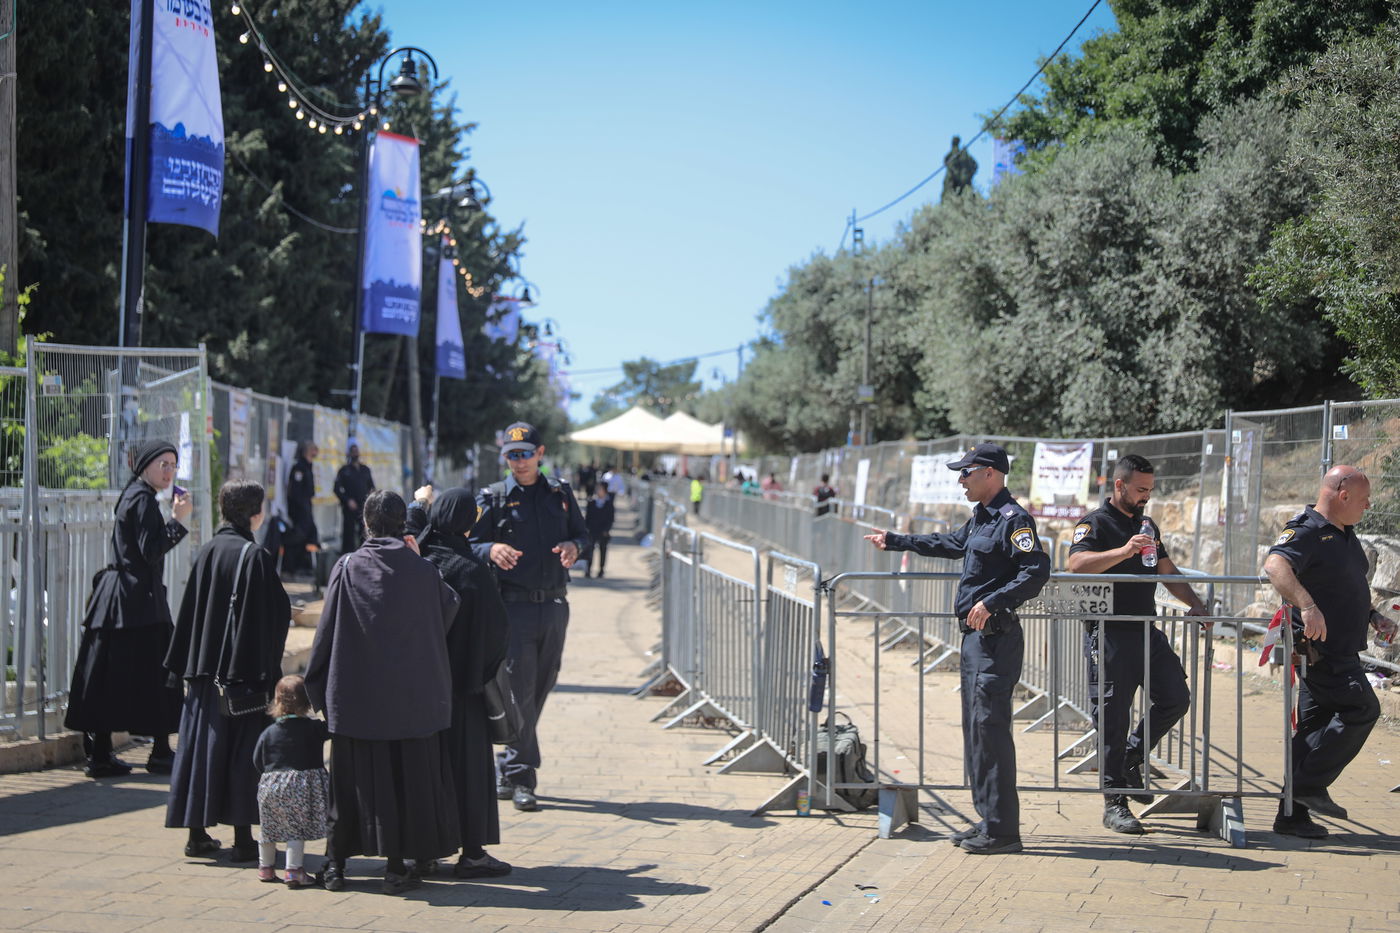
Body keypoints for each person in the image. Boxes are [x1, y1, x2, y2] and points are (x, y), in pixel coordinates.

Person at [865, 443, 1049, 854]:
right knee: (976, 734)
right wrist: (897, 541)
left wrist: (992, 602)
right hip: (973, 641)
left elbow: (1036, 571)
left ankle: (1003, 831)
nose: (960, 480)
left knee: (991, 733)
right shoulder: (981, 518)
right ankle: (988, 819)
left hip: (995, 640)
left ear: (990, 473)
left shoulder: (1013, 519)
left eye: (966, 473)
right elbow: (949, 543)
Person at [306, 490, 461, 894]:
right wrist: (415, 556)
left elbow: (325, 633)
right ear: (404, 528)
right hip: (409, 703)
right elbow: (448, 609)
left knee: (347, 787)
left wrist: (317, 687)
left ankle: (335, 866)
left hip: (355, 699)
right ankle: (395, 867)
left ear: (366, 525)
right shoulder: (424, 571)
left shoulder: (348, 566)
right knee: (399, 782)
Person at [1066, 454, 1209, 835]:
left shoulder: (1147, 524)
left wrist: (1195, 602)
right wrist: (1124, 552)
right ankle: (1115, 803)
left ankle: (1131, 759)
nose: (1147, 496)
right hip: (1109, 632)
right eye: (1140, 489)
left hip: (1146, 628)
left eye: (1150, 489)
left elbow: (1166, 571)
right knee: (1113, 718)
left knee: (1175, 696)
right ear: (1119, 485)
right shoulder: (1094, 523)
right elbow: (1076, 565)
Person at [1262, 465, 1398, 839]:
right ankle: (1307, 786)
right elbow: (1275, 565)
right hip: (1322, 650)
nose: (1368, 506)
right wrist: (1307, 606)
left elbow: (1340, 587)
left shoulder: (1345, 535)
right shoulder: (1307, 530)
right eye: (1365, 499)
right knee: (1363, 708)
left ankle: (1291, 816)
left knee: (1310, 732)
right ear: (1343, 495)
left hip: (1342, 647)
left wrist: (1372, 616)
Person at [165, 479, 291, 861]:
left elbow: (190, 612)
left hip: (203, 672)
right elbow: (270, 616)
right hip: (240, 677)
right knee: (241, 756)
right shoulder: (254, 556)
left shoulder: (207, 551)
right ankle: (242, 839)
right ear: (255, 513)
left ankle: (196, 833)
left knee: (199, 752)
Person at [468, 422, 589, 812]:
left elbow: (583, 536)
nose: (518, 462)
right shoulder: (495, 497)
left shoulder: (561, 494)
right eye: (511, 455)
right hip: (514, 607)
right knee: (518, 690)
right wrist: (490, 549)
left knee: (541, 686)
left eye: (524, 454)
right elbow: (466, 544)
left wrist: (574, 545)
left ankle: (507, 764)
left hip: (554, 606)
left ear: (540, 453)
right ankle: (522, 775)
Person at [65, 440, 193, 777]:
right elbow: (150, 550)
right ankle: (158, 751)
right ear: (144, 467)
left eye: (172, 465)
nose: (169, 471)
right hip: (136, 604)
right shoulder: (142, 499)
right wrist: (178, 521)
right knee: (158, 675)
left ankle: (105, 753)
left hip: (125, 602)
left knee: (112, 676)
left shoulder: (136, 496)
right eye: (162, 464)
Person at [417, 488, 513, 879]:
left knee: (425, 772)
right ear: (468, 522)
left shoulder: (419, 560)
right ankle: (472, 854)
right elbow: (498, 632)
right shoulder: (472, 570)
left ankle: (422, 852)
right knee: (470, 774)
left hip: (420, 693)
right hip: (465, 692)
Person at [253, 674, 330, 888]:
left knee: (267, 829)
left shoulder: (268, 732)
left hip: (270, 785)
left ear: (276, 701)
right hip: (299, 788)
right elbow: (332, 726)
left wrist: (268, 775)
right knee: (295, 830)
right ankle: (294, 871)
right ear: (307, 703)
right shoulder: (313, 728)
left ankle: (265, 868)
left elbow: (257, 759)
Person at [332, 441, 375, 555]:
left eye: (357, 451)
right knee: (348, 533)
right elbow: (336, 489)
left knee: (364, 532)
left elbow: (371, 487)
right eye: (353, 451)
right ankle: (347, 556)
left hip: (363, 506)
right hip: (349, 507)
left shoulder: (365, 469)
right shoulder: (344, 470)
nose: (355, 453)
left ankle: (365, 554)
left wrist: (370, 501)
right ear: (349, 453)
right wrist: (347, 500)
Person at [284, 442, 319, 576]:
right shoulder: (299, 467)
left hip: (306, 507)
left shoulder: (308, 466)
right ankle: (291, 566)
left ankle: (304, 565)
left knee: (309, 535)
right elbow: (296, 492)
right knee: (299, 535)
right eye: (313, 449)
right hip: (299, 509)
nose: (315, 452)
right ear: (306, 451)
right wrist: (302, 508)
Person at [585, 483, 615, 579]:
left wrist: (607, 529)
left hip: (603, 531)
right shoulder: (592, 502)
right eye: (597, 489)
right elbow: (587, 517)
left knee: (603, 550)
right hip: (592, 530)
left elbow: (611, 518)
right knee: (590, 550)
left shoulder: (609, 504)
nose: (598, 491)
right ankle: (588, 569)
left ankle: (601, 569)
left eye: (600, 489)